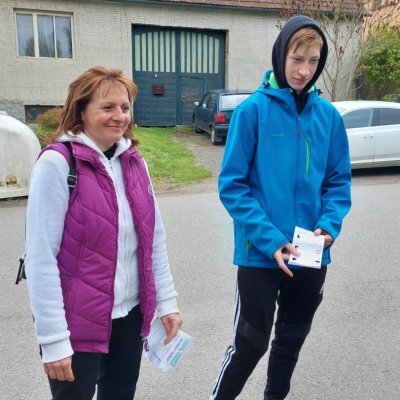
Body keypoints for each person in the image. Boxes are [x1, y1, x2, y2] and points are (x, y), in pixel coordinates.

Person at [209, 15, 352, 400]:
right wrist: (271, 239)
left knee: (289, 342)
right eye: (296, 58)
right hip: (260, 252)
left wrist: (329, 226)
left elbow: (338, 182)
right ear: (280, 56)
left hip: (310, 253)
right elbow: (232, 185)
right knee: (249, 344)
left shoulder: (329, 118)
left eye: (313, 60)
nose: (304, 70)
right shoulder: (252, 111)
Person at [25, 65, 182, 400]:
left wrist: (167, 303)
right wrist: (52, 340)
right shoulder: (57, 164)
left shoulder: (135, 163)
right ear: (81, 110)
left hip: (129, 318)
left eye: (125, 107)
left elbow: (153, 240)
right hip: (76, 324)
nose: (119, 116)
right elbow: (40, 259)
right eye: (107, 107)